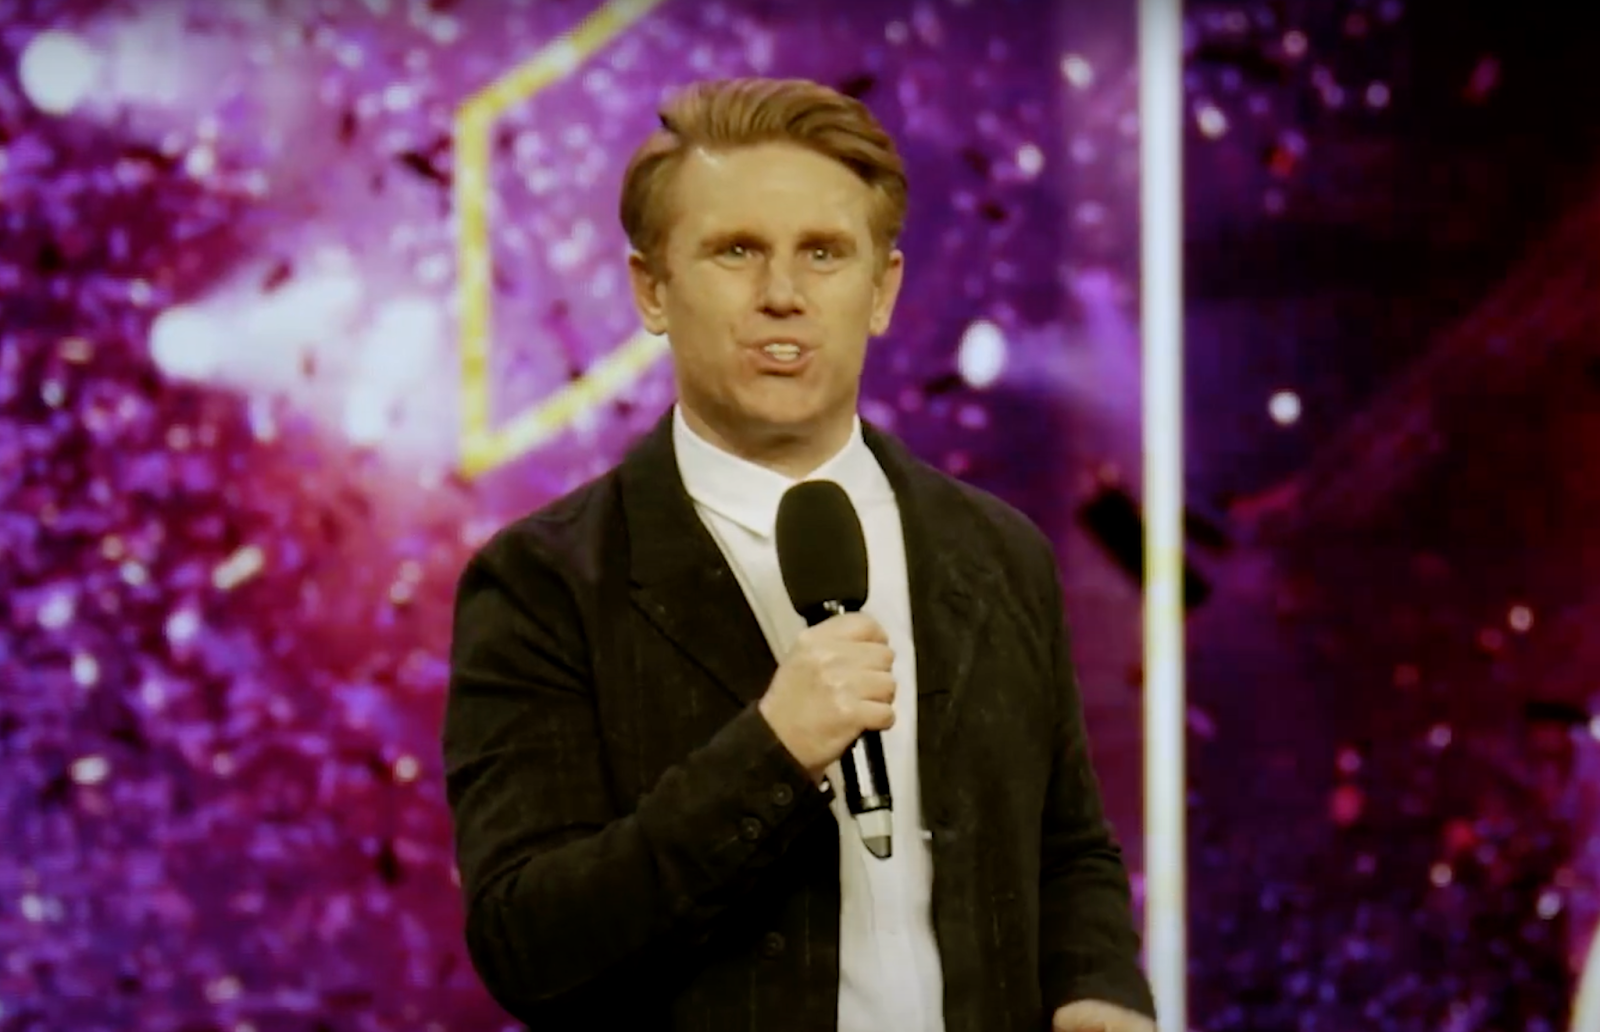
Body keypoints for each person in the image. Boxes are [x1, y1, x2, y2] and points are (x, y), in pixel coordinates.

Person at [442, 77, 1157, 1032]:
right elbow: (529, 945)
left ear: (882, 290)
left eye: (823, 253)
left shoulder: (997, 553)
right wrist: (773, 750)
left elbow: (1067, 848)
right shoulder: (544, 584)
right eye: (736, 251)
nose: (782, 295)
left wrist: (1098, 989)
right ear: (652, 289)